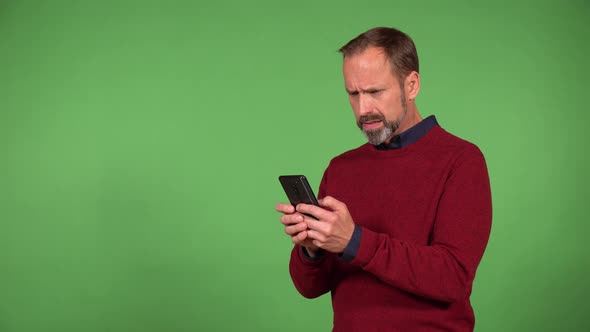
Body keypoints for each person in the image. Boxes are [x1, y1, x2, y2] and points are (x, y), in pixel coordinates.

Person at [275, 27, 492, 332]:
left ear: (412, 85)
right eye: (353, 94)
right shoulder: (341, 167)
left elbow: (452, 278)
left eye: (375, 92)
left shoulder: (462, 160)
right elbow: (309, 288)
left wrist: (354, 241)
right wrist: (313, 249)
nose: (363, 109)